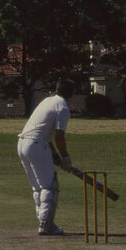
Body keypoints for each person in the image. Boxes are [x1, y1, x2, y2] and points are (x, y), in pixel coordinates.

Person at [17, 78, 76, 236]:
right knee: (49, 186)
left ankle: (42, 221)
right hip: (36, 145)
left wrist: (55, 156)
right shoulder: (63, 108)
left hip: (22, 144)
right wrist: (65, 158)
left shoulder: (47, 101)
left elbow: (43, 131)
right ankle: (47, 225)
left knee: (38, 187)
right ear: (71, 94)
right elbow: (59, 137)